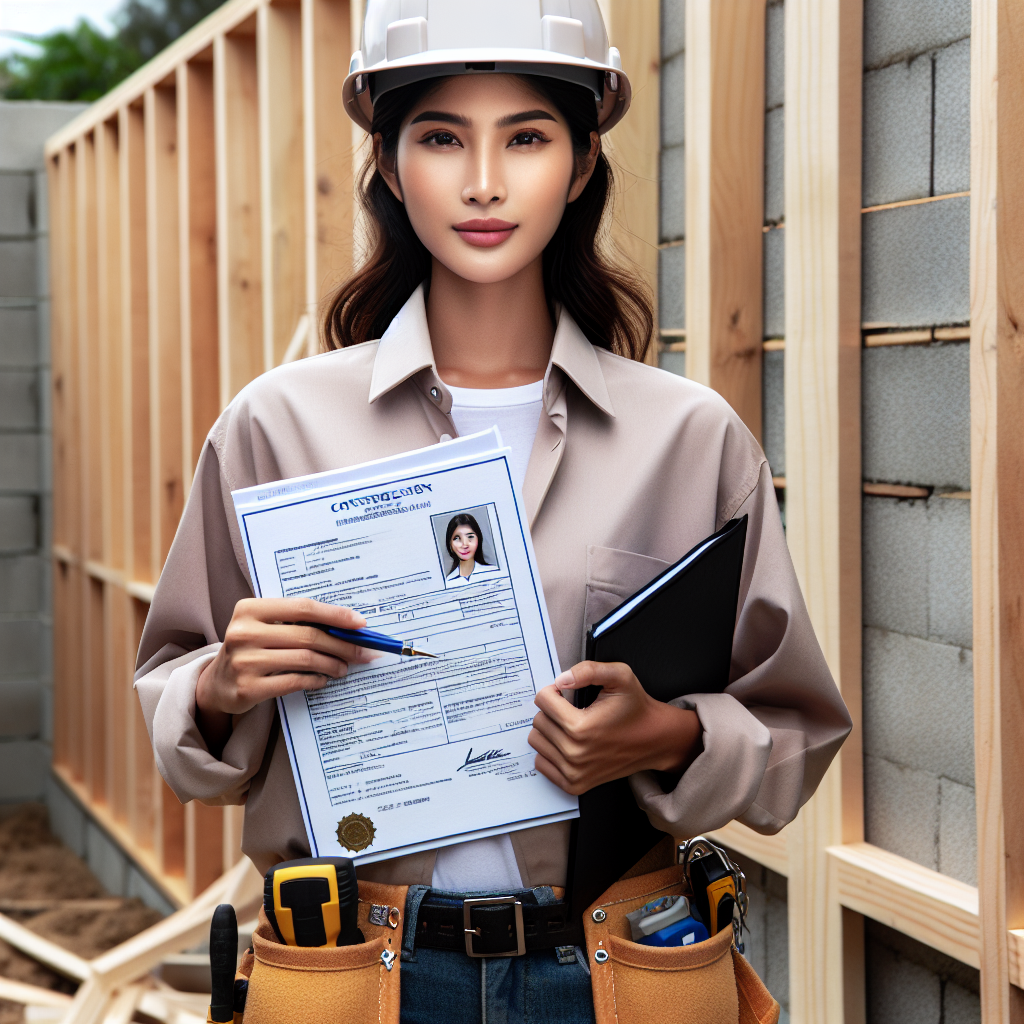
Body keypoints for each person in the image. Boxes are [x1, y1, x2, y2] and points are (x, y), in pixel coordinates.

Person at [135, 2, 852, 1020]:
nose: (482, 181)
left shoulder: (689, 439)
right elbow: (177, 710)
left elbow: (796, 730)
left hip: (610, 972)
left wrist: (666, 736)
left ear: (582, 157)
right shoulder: (274, 425)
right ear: (387, 163)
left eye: (525, 136)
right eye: (440, 138)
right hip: (356, 969)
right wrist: (219, 683)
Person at [443, 512, 499, 586]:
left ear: (478, 539)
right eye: (457, 538)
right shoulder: (447, 582)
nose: (465, 544)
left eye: (470, 537)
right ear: (450, 544)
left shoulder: (494, 573)